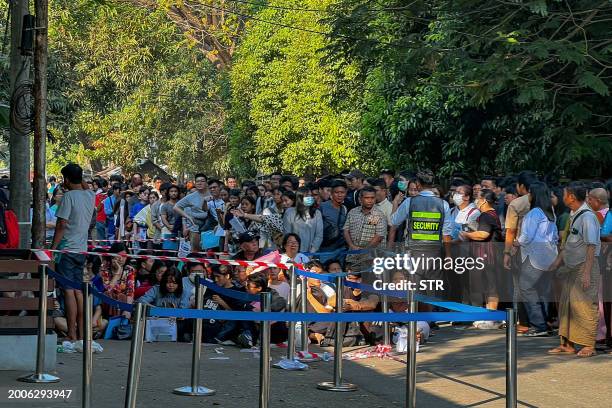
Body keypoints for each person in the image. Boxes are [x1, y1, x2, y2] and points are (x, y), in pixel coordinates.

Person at [548, 182, 601, 357]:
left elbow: (591, 245)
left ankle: (588, 345)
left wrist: (586, 273)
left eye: (564, 194)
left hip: (584, 266)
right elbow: (569, 243)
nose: (562, 197)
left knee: (585, 306)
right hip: (571, 267)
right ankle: (567, 344)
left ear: (571, 197)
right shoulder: (574, 214)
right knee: (566, 307)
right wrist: (556, 263)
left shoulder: (587, 217)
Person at [50, 163, 95, 343]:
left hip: (67, 249)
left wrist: (53, 248)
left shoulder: (69, 197)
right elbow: (84, 185)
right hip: (81, 250)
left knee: (68, 291)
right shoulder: (89, 195)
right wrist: (76, 176)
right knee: (78, 291)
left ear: (67, 179)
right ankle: (82, 334)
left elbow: (61, 225)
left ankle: (71, 333)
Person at [391, 170, 452, 299]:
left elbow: (393, 221)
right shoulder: (443, 204)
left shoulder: (409, 202)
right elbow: (446, 233)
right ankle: (436, 317)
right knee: (435, 287)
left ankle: (418, 318)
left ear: (418, 184)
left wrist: (395, 204)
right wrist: (448, 255)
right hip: (435, 254)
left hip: (414, 254)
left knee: (416, 290)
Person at [517, 182, 558, 336]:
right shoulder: (550, 212)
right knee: (543, 290)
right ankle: (545, 322)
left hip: (535, 256)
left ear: (534, 195)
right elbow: (554, 236)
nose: (528, 196)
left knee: (526, 287)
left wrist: (516, 242)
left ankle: (538, 325)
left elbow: (526, 236)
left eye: (530, 193)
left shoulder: (534, 213)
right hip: (549, 255)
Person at [344, 186, 387, 271]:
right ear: (360, 199)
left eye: (372, 198)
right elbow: (346, 230)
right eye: (367, 198)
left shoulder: (379, 215)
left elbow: (379, 236)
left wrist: (365, 250)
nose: (370, 200)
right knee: (351, 280)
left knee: (368, 281)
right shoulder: (353, 212)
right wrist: (352, 246)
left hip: (372, 258)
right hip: (352, 255)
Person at [173, 173, 211, 251]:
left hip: (211, 227)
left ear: (206, 183)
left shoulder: (212, 193)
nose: (200, 183)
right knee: (196, 252)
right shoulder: (190, 196)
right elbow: (176, 207)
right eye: (197, 181)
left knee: (210, 253)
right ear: (195, 183)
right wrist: (187, 217)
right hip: (196, 227)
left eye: (202, 181)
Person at [99, 243, 135, 320]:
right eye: (118, 256)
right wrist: (117, 272)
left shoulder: (129, 270)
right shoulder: (104, 269)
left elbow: (130, 291)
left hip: (123, 303)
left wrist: (127, 309)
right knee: (109, 295)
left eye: (124, 256)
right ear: (112, 256)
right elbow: (107, 290)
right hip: (107, 303)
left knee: (121, 297)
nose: (121, 259)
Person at [282, 187, 323, 253]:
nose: (310, 198)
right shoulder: (289, 212)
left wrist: (312, 251)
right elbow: (287, 234)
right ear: (300, 198)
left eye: (311, 195)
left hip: (311, 253)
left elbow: (319, 235)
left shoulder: (317, 213)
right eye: (307, 196)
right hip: (293, 252)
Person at [319, 180, 348, 256]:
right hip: (325, 249)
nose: (339, 195)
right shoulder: (322, 207)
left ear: (346, 193)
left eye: (342, 192)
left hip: (341, 250)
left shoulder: (345, 209)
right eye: (336, 192)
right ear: (331, 193)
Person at [160, 185, 180, 251]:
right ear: (168, 193)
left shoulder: (181, 204)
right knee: (168, 250)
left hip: (180, 229)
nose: (173, 193)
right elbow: (163, 218)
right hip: (168, 229)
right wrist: (169, 226)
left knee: (179, 251)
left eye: (175, 191)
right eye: (171, 191)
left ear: (178, 193)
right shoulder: (165, 205)